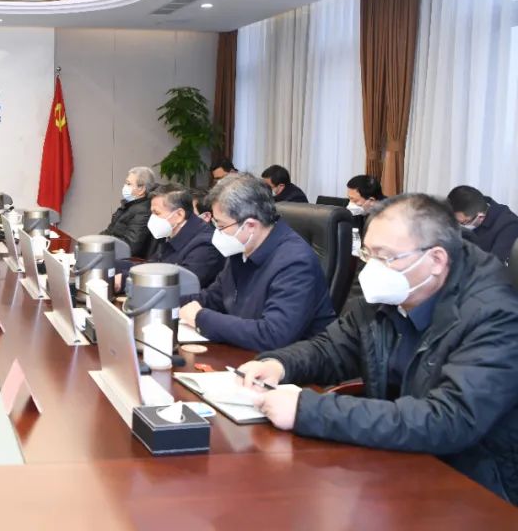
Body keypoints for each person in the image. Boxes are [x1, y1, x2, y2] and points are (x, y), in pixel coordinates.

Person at [239, 194, 518, 504]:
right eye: (368, 254)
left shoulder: (495, 316)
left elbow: (449, 419)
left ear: (436, 260)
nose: (370, 269)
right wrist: (280, 364)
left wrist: (309, 411)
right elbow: (332, 348)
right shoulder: (394, 293)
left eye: (385, 257)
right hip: (398, 464)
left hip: (475, 488)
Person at [179, 173, 336, 351]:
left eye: (221, 226)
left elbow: (274, 334)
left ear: (250, 226)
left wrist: (201, 318)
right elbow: (214, 297)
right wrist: (167, 302)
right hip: (245, 353)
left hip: (290, 363)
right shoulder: (242, 247)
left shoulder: (296, 262)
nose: (217, 233)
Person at [141, 185, 225, 288]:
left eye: (157, 213)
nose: (152, 218)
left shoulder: (205, 245)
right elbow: (151, 267)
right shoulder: (170, 233)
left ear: (179, 215)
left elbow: (181, 286)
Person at [446, 185, 518, 264]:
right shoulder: (475, 206)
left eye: (463, 222)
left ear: (480, 217)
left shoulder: (509, 226)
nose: (459, 225)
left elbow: (493, 265)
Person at [101, 166, 155, 258]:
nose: (125, 187)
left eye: (129, 184)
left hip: (127, 260)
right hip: (112, 253)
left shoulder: (144, 211)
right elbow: (109, 232)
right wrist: (93, 242)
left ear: (141, 189)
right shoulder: (128, 205)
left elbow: (130, 247)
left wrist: (102, 246)